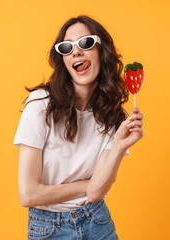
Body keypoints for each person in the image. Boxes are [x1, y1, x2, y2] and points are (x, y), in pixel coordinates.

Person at [13, 15, 144, 240]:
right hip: (48, 228)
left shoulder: (116, 116)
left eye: (85, 43)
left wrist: (119, 147)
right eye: (67, 47)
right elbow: (28, 194)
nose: (76, 52)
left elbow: (95, 193)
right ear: (63, 59)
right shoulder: (40, 104)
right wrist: (85, 183)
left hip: (97, 222)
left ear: (102, 52)